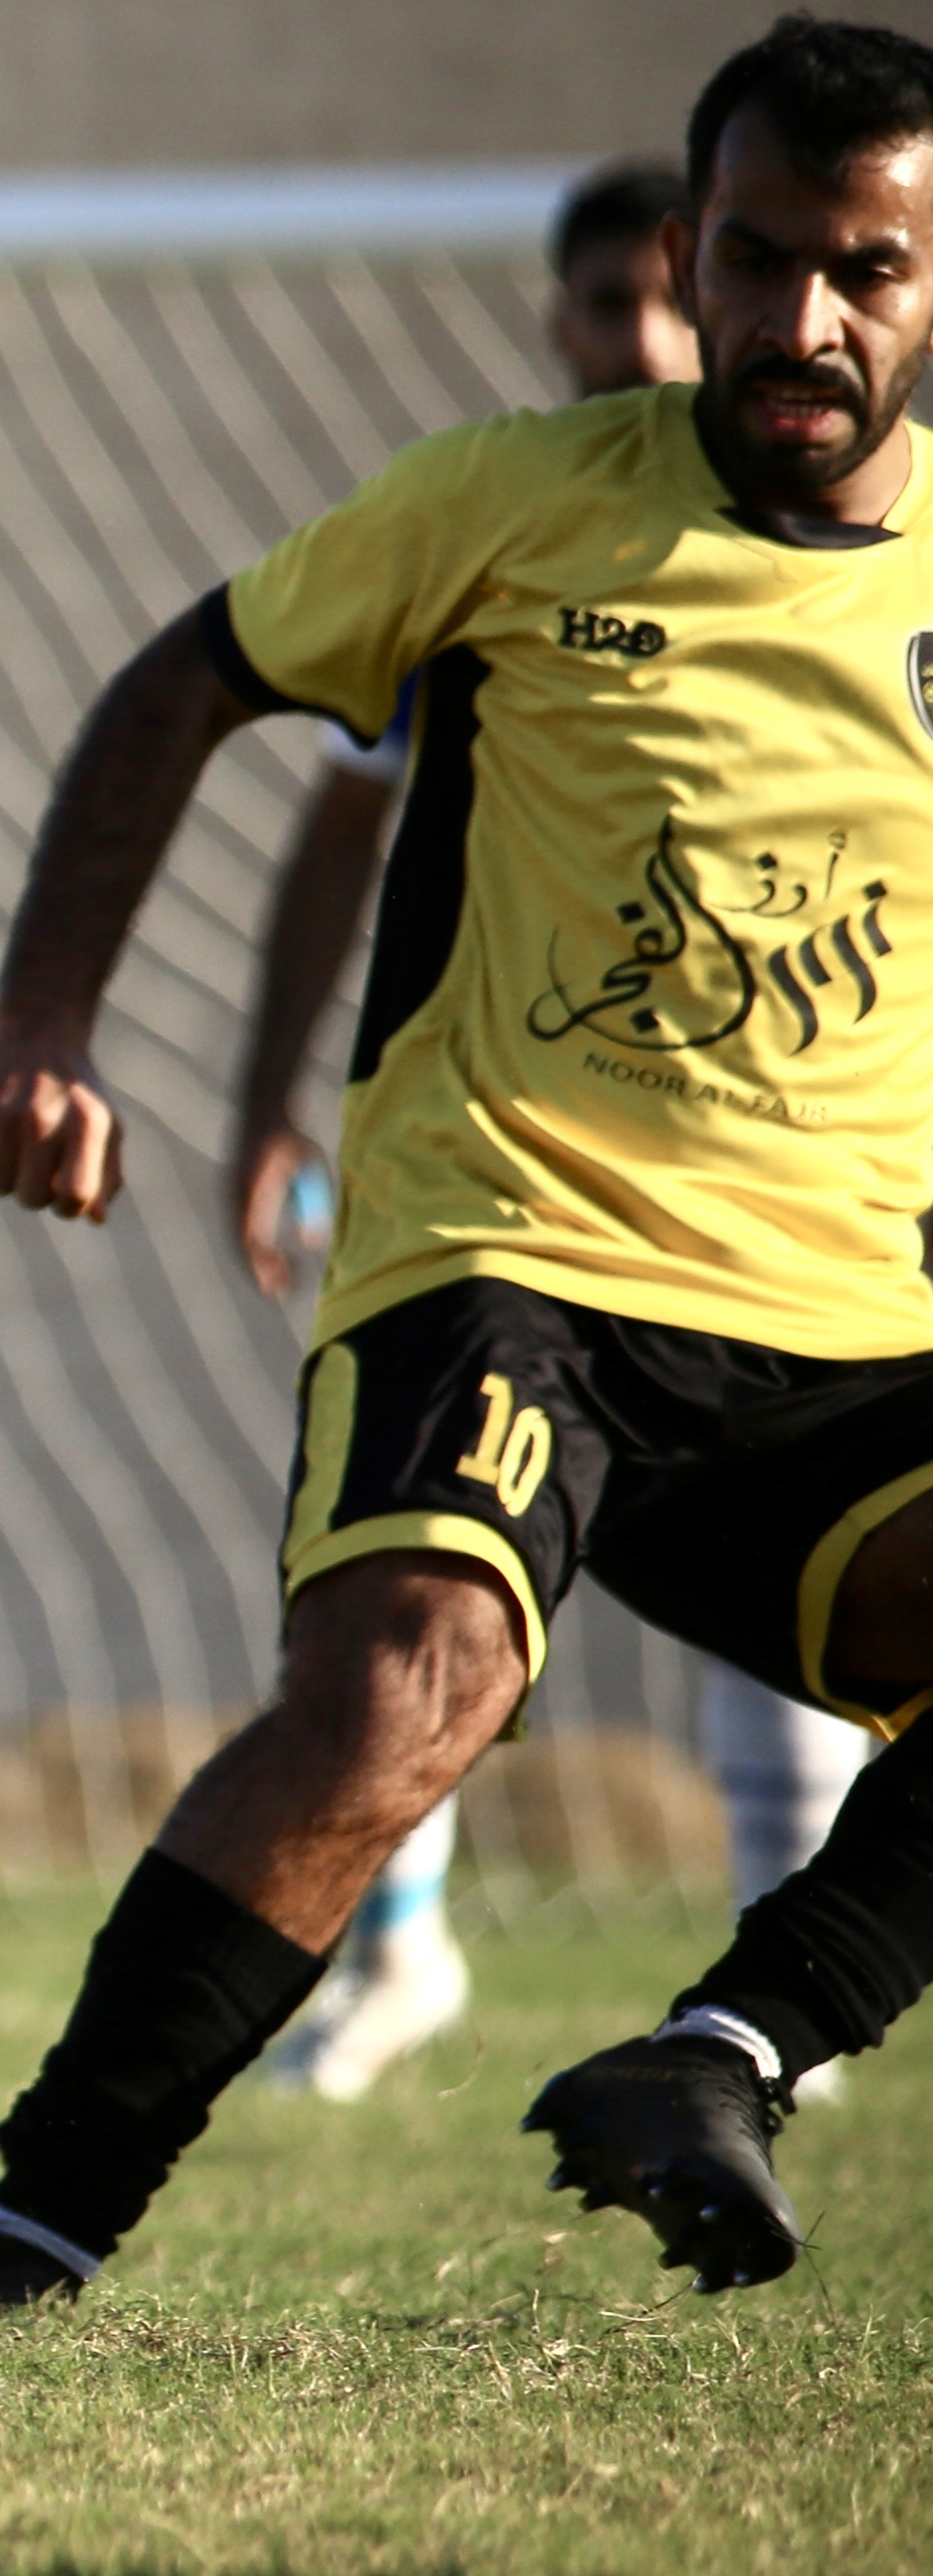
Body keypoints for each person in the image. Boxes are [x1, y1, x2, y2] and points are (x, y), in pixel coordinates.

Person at [0, 13, 933, 2316]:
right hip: (510, 1255)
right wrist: (41, 1023)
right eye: (753, 259)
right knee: (398, 1694)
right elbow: (185, 685)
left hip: (837, 1337)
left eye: (861, 269)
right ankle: (21, 2247)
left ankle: (719, 2055)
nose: (800, 318)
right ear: (689, 252)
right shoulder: (510, 501)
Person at [228, 163, 867, 2098]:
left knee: (792, 1565)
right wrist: (268, 1101)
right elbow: (342, 822)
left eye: (672, 301)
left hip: (773, 1178)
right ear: (565, 319)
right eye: (608, 305)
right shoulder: (502, 546)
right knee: (414, 1586)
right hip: (508, 1179)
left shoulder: (848, 562)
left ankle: (781, 1993)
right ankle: (402, 1951)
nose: (643, 338)